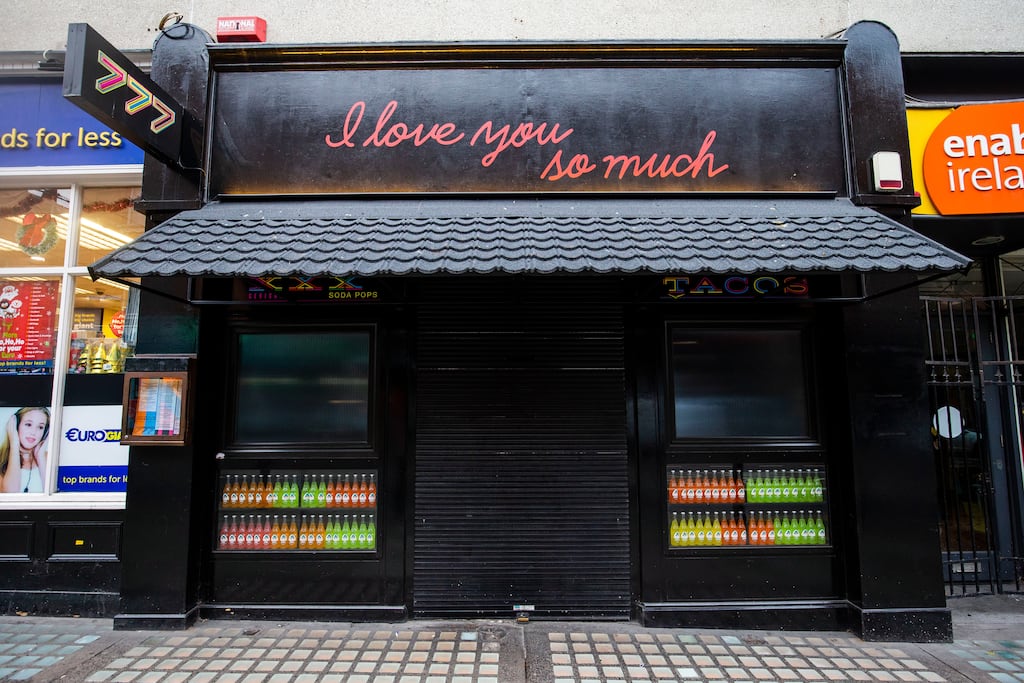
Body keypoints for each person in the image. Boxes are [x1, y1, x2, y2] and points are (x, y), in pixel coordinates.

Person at [0, 407, 50, 493]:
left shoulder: (47, 457)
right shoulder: (1, 458)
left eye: (40, 427)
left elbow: (55, 497)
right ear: (16, 426)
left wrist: (41, 457)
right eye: (28, 425)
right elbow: (10, 494)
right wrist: (14, 446)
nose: (33, 432)